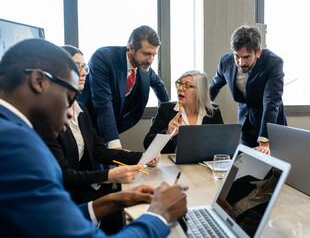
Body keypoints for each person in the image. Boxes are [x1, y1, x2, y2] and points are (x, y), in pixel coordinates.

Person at [0, 38, 187, 237]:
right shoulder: (16, 146)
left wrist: (117, 200)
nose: (71, 114)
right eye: (68, 98)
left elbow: (52, 221)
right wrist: (159, 215)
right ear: (38, 82)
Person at [44, 45, 160, 234]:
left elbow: (99, 151)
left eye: (84, 66)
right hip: (68, 200)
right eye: (76, 66)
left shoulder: (81, 109)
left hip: (86, 191)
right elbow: (65, 176)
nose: (83, 72)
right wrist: (110, 176)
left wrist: (142, 157)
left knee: (137, 207)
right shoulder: (49, 119)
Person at [79, 25, 169, 149]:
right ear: (131, 47)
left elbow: (159, 87)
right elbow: (103, 103)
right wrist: (114, 143)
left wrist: (167, 115)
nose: (150, 60)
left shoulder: (144, 67)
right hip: (87, 124)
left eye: (154, 55)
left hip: (110, 126)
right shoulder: (103, 58)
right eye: (146, 54)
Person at [209, 25, 287, 154]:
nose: (241, 62)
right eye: (237, 56)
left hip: (271, 127)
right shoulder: (226, 62)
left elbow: (271, 102)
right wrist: (198, 109)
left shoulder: (273, 63)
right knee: (249, 170)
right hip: (246, 126)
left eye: (246, 57)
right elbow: (214, 87)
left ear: (258, 53)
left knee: (275, 171)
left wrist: (264, 141)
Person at [143, 70, 224, 153]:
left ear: (200, 90)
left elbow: (223, 143)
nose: (180, 88)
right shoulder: (166, 109)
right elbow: (147, 144)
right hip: (172, 164)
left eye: (186, 85)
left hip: (203, 164)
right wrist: (167, 133)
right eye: (179, 84)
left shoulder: (213, 111)